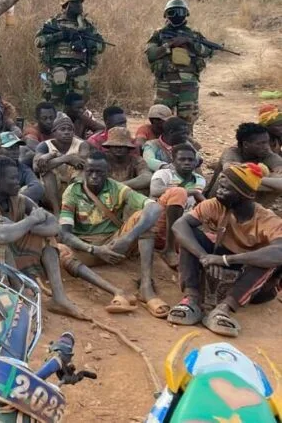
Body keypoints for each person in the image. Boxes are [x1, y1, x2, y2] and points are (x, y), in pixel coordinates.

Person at [169, 163, 282, 337]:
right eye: (220, 187)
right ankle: (191, 299)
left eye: (225, 189)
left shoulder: (266, 219)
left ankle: (225, 309)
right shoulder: (216, 205)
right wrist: (204, 256)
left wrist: (225, 260)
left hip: (250, 279)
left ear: (247, 194)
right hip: (217, 263)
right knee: (189, 236)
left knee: (268, 259)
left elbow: (279, 252)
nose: (218, 192)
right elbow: (179, 225)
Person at [0, 156, 84, 318]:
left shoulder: (18, 199)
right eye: (13, 178)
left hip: (8, 260)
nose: (18, 182)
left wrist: (29, 225)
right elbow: (0, 235)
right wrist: (31, 220)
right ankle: (22, 299)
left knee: (47, 238)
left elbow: (54, 226)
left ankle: (59, 298)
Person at [57, 153, 168, 317]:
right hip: (88, 248)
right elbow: (65, 234)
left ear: (107, 172)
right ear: (83, 172)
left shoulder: (117, 188)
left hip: (116, 242)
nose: (94, 176)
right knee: (59, 250)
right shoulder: (72, 192)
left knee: (142, 218)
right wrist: (94, 249)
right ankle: (117, 291)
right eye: (90, 171)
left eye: (99, 172)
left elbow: (155, 208)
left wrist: (127, 238)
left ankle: (146, 287)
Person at [146, 0, 215, 125]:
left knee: (187, 123)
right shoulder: (159, 34)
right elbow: (151, 54)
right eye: (172, 12)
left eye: (181, 12)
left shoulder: (194, 35)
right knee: (160, 121)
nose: (177, 15)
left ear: (186, 14)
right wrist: (169, 46)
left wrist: (191, 44)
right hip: (165, 83)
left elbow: (208, 52)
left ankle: (185, 145)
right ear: (166, 15)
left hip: (188, 85)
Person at [34, 0, 106, 102]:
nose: (79, 5)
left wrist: (85, 43)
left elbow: (101, 46)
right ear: (65, 4)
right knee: (54, 104)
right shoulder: (53, 23)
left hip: (79, 71)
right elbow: (39, 41)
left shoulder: (87, 25)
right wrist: (62, 35)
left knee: (79, 105)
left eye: (80, 2)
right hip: (56, 71)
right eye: (75, 2)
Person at [150, 143, 205, 268]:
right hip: (157, 225)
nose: (187, 162)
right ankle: (169, 250)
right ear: (173, 161)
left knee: (212, 240)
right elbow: (155, 191)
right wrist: (191, 192)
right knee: (179, 193)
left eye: (190, 160)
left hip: (181, 228)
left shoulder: (200, 180)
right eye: (182, 159)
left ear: (196, 162)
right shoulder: (163, 174)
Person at [33, 113, 88, 214]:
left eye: (70, 129)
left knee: (81, 171)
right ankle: (56, 211)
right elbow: (37, 167)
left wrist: (51, 159)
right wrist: (66, 158)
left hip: (74, 189)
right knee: (47, 173)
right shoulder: (44, 145)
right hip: (51, 193)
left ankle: (73, 208)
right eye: (62, 129)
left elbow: (82, 163)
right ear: (54, 132)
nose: (67, 132)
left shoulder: (82, 145)